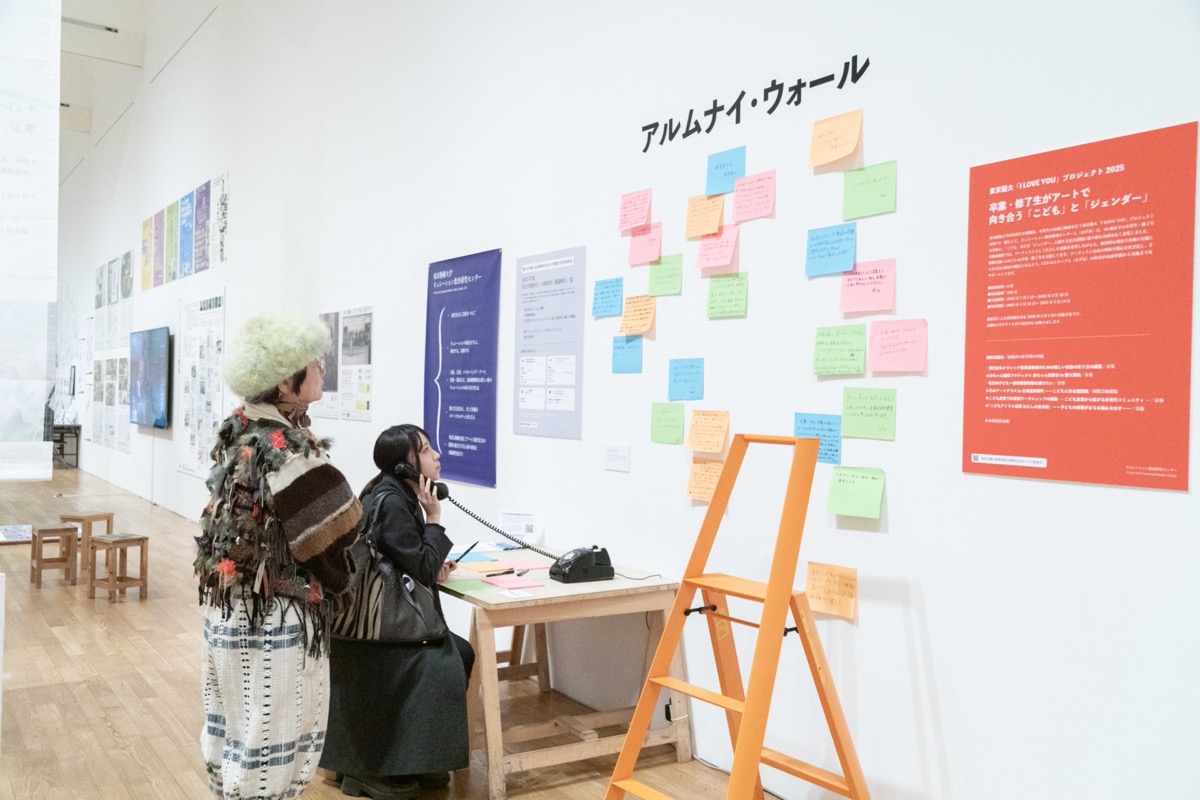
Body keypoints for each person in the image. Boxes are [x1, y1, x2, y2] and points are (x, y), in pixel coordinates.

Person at [196, 314, 362, 800]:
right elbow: (342, 527)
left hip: (230, 610)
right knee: (272, 742)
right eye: (315, 363)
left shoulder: (239, 430)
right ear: (285, 383)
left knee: (235, 732)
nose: (323, 369)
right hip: (275, 620)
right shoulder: (287, 448)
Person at [321, 424, 475, 799]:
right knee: (449, 658)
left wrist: (432, 564)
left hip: (380, 620)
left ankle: (418, 760)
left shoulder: (393, 493)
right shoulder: (392, 501)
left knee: (458, 652)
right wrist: (435, 518)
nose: (436, 455)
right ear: (404, 464)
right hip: (377, 627)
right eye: (425, 450)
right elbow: (420, 565)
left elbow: (409, 560)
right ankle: (377, 768)